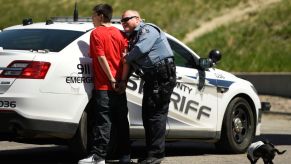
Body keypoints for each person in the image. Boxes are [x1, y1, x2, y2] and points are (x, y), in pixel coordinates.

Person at [121, 10, 176, 164]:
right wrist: (123, 80)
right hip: (152, 79)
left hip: (161, 77)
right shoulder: (132, 39)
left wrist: (125, 57)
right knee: (148, 115)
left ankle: (156, 155)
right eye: (121, 21)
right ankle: (151, 153)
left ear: (137, 19)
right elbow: (133, 63)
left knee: (156, 116)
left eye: (126, 19)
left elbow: (141, 50)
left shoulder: (148, 30)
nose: (123, 22)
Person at [78, 4, 130, 164]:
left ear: (101, 16)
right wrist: (122, 81)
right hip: (120, 86)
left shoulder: (96, 33)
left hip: (104, 86)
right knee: (121, 121)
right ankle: (125, 156)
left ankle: (98, 157)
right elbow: (126, 59)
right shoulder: (120, 34)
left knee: (103, 122)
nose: (92, 19)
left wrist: (112, 79)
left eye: (93, 16)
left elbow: (101, 58)